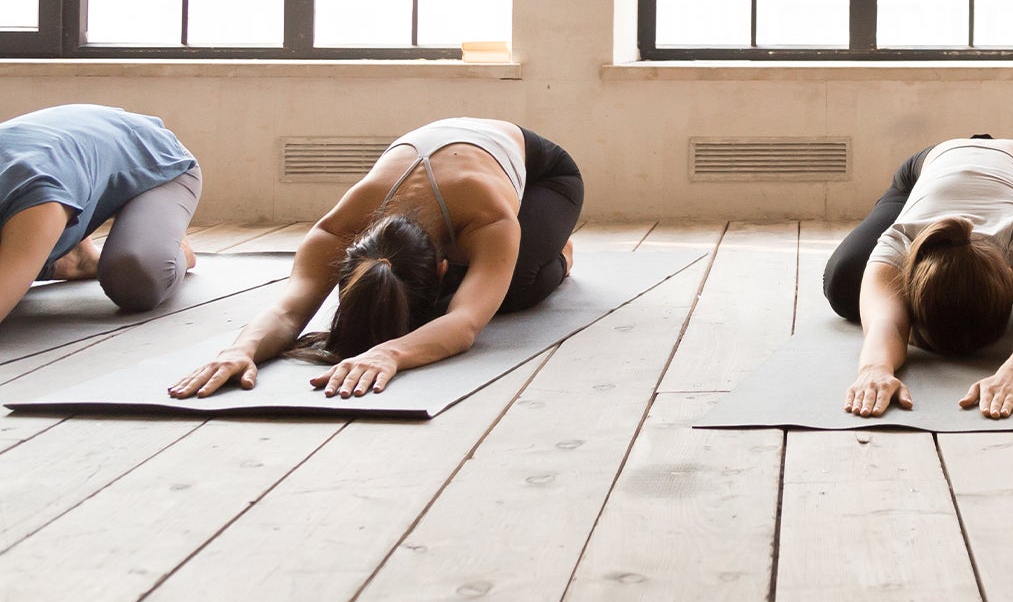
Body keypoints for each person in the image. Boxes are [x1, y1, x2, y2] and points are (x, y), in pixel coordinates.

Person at [170, 117, 583, 400]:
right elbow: (288, 309)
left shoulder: (488, 217)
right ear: (345, 260)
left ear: (442, 268)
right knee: (435, 297)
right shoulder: (339, 228)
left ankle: (560, 250)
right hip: (448, 161)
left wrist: (392, 352)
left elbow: (464, 324)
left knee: (505, 294)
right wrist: (240, 350)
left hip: (545, 176)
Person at [822, 136, 1013, 419]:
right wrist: (874, 369)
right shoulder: (904, 239)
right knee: (846, 283)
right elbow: (886, 324)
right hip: (930, 168)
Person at [0, 104, 202, 321]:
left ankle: (172, 246)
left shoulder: (36, 196)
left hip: (159, 160)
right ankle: (73, 256)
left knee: (134, 279)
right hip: (69, 149)